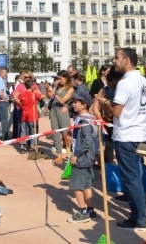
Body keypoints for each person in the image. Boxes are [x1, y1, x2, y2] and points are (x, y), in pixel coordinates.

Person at [102, 47, 146, 232]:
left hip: (127, 134)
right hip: (138, 133)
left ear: (127, 60)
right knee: (134, 177)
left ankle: (139, 218)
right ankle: (139, 214)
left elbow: (116, 112)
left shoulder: (125, 83)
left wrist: (104, 102)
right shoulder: (143, 80)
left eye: (117, 58)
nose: (114, 61)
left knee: (131, 179)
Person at [66, 91, 98, 223]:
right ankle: (90, 210)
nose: (73, 104)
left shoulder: (85, 121)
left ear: (84, 105)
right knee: (86, 185)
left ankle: (82, 211)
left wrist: (76, 154)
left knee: (77, 185)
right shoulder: (90, 117)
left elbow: (87, 142)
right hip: (87, 157)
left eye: (76, 102)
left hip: (82, 157)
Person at [45, 70, 75, 164]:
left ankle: (70, 154)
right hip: (53, 110)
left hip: (62, 110)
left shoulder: (70, 89)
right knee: (55, 132)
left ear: (66, 78)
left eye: (61, 79)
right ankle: (59, 155)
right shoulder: (58, 87)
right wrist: (48, 89)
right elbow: (50, 96)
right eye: (58, 79)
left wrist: (54, 94)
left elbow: (62, 100)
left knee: (66, 133)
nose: (59, 80)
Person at [14, 77, 41, 153]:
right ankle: (32, 146)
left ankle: (23, 145)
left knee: (23, 130)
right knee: (32, 131)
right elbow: (42, 96)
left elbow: (19, 101)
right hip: (32, 115)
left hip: (24, 115)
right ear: (32, 86)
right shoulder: (34, 94)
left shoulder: (22, 94)